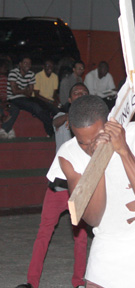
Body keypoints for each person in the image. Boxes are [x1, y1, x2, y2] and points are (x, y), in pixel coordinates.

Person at [50, 95, 135, 287]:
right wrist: (96, 162)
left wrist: (123, 150)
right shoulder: (69, 155)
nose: (90, 146)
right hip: (108, 240)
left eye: (96, 137)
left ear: (109, 123)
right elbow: (93, 218)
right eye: (82, 142)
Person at [15, 83, 90, 288]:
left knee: (81, 239)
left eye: (84, 93)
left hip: (80, 188)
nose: (81, 95)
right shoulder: (61, 116)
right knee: (44, 234)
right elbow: (57, 122)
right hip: (57, 188)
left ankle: (78, 282)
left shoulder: (94, 123)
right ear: (70, 99)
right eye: (77, 93)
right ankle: (32, 282)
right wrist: (71, 116)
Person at [7, 55, 54, 137]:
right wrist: (25, 90)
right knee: (35, 107)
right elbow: (14, 92)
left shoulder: (31, 74)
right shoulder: (13, 73)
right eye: (25, 63)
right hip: (14, 99)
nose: (27, 65)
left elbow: (29, 93)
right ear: (20, 64)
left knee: (44, 106)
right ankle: (51, 131)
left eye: (29, 63)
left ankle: (49, 133)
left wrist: (20, 90)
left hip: (25, 98)